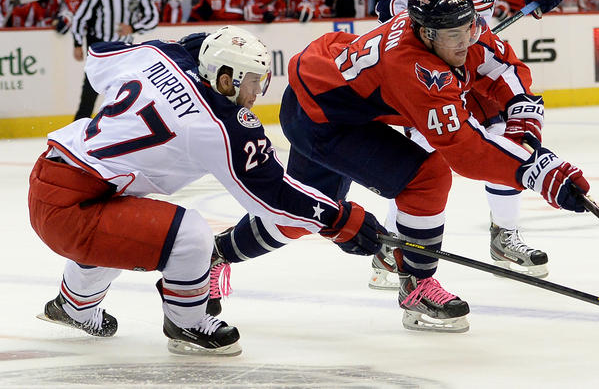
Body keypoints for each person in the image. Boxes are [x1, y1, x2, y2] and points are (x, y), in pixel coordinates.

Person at [29, 25, 384, 355]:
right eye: (252, 83)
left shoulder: (156, 55)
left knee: (124, 219)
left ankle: (75, 306)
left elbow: (98, 56)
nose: (257, 94)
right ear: (225, 79)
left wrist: (178, 49)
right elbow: (271, 197)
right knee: (191, 235)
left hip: (53, 177)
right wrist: (339, 218)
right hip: (71, 211)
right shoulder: (220, 125)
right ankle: (187, 324)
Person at [271, 0, 587, 333]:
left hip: (330, 97)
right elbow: (465, 150)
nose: (466, 39)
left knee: (297, 212)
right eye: (454, 35)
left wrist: (523, 120)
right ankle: (417, 287)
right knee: (426, 177)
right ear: (425, 34)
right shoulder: (413, 67)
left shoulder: (453, 25)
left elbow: (500, 65)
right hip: (320, 120)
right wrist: (535, 172)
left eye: (469, 27)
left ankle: (216, 255)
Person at [373, 0, 564, 288]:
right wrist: (431, 35)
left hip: (477, 50)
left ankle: (504, 234)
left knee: (512, 130)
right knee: (425, 152)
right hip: (430, 58)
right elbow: (386, 7)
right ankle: (393, 246)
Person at [70, 0, 159, 120]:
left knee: (128, 93)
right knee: (89, 93)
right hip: (102, 50)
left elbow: (153, 17)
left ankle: (124, 130)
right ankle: (76, 131)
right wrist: (77, 43)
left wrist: (133, 27)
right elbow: (80, 18)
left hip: (126, 50)